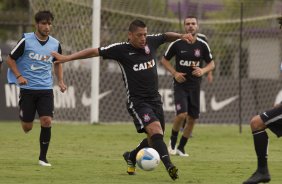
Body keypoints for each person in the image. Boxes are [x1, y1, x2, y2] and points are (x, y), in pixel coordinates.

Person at [51, 19, 193, 180]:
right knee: (155, 131)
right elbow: (94, 52)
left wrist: (181, 35)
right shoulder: (120, 50)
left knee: (155, 139)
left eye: (145, 34)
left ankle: (131, 156)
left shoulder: (151, 42)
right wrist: (67, 58)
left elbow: (165, 36)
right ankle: (170, 166)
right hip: (137, 102)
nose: (143, 38)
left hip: (155, 100)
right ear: (130, 35)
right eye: (139, 35)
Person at [6, 10, 67, 167]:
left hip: (46, 89)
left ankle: (43, 158)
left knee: (46, 121)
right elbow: (10, 59)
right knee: (27, 127)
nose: (47, 27)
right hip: (27, 89)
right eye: (44, 23)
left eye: (49, 23)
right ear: (37, 24)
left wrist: (60, 81)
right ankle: (24, 117)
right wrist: (19, 76)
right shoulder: (26, 40)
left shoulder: (55, 44)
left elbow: (58, 62)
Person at [161, 16, 215, 157]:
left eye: (193, 23)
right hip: (180, 85)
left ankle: (181, 148)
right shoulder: (177, 44)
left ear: (197, 26)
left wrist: (203, 71)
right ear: (184, 26)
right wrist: (174, 73)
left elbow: (212, 64)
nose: (190, 26)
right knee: (181, 114)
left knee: (192, 119)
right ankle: (172, 142)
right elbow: (164, 60)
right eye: (188, 24)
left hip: (195, 86)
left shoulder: (203, 45)